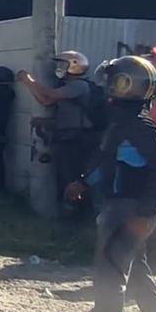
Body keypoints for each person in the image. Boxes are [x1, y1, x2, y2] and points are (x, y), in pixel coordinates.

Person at [64, 55, 156, 312]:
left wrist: (144, 214)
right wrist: (83, 183)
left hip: (128, 210)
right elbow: (109, 162)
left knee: (110, 275)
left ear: (125, 86)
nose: (106, 88)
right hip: (130, 209)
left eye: (113, 81)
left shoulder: (139, 128)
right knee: (137, 270)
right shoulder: (128, 124)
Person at [19, 50, 99, 208]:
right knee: (65, 174)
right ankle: (69, 208)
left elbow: (50, 94)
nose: (59, 67)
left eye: (63, 64)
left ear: (74, 66)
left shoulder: (79, 85)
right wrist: (29, 85)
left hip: (78, 138)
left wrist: (29, 80)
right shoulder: (68, 86)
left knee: (74, 176)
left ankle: (77, 210)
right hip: (67, 136)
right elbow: (46, 101)